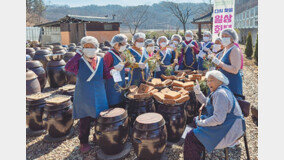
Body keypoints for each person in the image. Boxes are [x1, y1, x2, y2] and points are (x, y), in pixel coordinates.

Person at [184, 70, 246, 160]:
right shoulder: (221, 90)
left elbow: (218, 119)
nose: (208, 83)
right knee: (194, 120)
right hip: (227, 124)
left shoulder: (220, 94)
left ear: (220, 81)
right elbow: (207, 102)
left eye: (211, 80)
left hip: (229, 130)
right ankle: (191, 146)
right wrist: (198, 93)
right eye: (207, 81)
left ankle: (191, 144)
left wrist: (201, 123)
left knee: (190, 137)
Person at [65, 36, 109, 153]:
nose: (89, 49)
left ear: (96, 48)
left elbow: (106, 74)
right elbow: (67, 67)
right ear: (82, 48)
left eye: (92, 46)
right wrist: (77, 55)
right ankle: (83, 142)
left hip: (99, 92)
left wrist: (116, 70)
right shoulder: (78, 61)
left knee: (98, 117)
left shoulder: (100, 59)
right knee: (84, 120)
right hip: (84, 93)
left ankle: (96, 135)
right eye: (86, 47)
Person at [210, 28, 243, 98]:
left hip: (232, 83)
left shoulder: (234, 50)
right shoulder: (226, 49)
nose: (224, 38)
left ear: (232, 38)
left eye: (226, 36)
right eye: (222, 36)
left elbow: (235, 70)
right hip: (225, 82)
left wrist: (220, 64)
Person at [103, 34, 128, 108]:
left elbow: (123, 65)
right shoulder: (109, 55)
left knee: (121, 102)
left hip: (121, 82)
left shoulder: (121, 54)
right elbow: (104, 72)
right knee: (114, 105)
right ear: (116, 44)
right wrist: (113, 68)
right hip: (112, 85)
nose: (125, 46)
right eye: (123, 44)